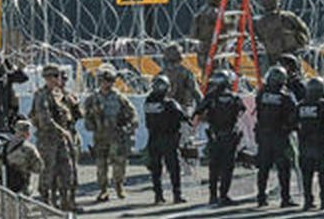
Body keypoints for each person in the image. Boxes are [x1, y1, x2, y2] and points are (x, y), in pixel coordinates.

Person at [31, 63, 81, 212]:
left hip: (61, 139)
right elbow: (45, 119)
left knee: (67, 170)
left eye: (57, 76)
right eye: (52, 77)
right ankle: (46, 203)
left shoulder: (60, 94)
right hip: (48, 140)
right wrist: (63, 131)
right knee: (47, 171)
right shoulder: (41, 95)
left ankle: (67, 202)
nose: (55, 79)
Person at [84, 65, 137, 202]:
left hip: (116, 135)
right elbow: (87, 118)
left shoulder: (119, 97)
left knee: (119, 164)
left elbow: (132, 114)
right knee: (101, 165)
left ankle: (119, 186)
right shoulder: (92, 99)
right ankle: (103, 190)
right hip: (100, 136)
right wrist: (92, 123)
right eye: (103, 80)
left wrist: (129, 126)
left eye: (109, 81)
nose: (106, 83)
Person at [195, 71, 245, 207]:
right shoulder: (234, 97)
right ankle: (223, 195)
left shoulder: (210, 97)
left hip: (214, 135)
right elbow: (242, 112)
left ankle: (213, 196)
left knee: (214, 166)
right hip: (229, 135)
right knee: (227, 167)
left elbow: (198, 111)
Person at [254, 67, 298, 207]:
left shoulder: (261, 94)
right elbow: (293, 115)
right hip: (280, 136)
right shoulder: (285, 96)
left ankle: (261, 197)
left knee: (263, 168)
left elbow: (259, 111)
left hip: (264, 135)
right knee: (283, 168)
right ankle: (285, 198)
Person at [143, 75, 187, 204]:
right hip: (168, 139)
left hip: (153, 139)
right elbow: (182, 116)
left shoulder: (148, 102)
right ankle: (176, 195)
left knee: (156, 169)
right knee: (173, 168)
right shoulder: (170, 103)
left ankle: (158, 195)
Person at [296, 77, 324, 209]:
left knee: (307, 174)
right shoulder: (323, 104)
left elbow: (292, 121)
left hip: (305, 144)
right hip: (321, 144)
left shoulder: (301, 105)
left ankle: (308, 201)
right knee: (323, 174)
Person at [256, 0, 308, 73]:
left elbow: (260, 39)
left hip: (274, 57)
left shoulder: (260, 23)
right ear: (277, 3)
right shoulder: (287, 17)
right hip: (291, 52)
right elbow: (303, 29)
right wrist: (302, 42)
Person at [0, 118, 43, 195]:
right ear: (27, 133)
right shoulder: (29, 148)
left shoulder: (4, 146)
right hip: (23, 188)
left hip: (6, 187)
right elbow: (38, 168)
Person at [158, 43, 200, 114]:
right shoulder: (186, 73)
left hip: (165, 110)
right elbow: (196, 92)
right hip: (183, 109)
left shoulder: (161, 75)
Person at [193, 0, 224, 69]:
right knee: (213, 69)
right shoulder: (215, 12)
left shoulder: (201, 11)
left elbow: (194, 31)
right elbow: (222, 28)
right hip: (212, 43)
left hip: (202, 44)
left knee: (204, 69)